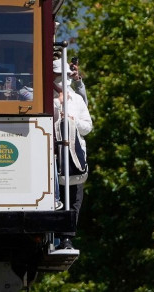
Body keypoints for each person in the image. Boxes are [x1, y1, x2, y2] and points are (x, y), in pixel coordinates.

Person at [52, 56, 92, 250]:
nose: (63, 78)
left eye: (66, 74)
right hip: (53, 156)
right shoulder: (44, 99)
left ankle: (68, 238)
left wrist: (72, 121)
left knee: (75, 197)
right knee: (57, 197)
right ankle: (56, 236)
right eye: (59, 74)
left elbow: (88, 127)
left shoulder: (76, 99)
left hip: (75, 155)